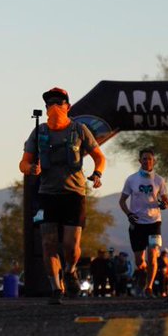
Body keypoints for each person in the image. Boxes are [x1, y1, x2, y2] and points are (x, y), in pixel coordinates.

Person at [20, 86, 106, 304]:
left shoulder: (79, 130)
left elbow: (99, 157)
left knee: (70, 245)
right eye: (50, 104)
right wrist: (30, 169)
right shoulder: (39, 132)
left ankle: (70, 270)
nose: (54, 107)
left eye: (59, 102)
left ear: (67, 106)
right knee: (48, 243)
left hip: (74, 193)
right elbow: (24, 162)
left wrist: (97, 174)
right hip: (48, 193)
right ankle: (56, 288)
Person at [118, 148, 168, 297]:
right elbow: (122, 201)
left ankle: (149, 287)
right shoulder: (131, 179)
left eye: (150, 159)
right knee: (140, 261)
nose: (147, 161)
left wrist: (164, 204)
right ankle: (142, 273)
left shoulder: (159, 180)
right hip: (137, 224)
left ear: (154, 161)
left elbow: (166, 201)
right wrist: (129, 214)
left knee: (153, 255)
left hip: (154, 223)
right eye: (144, 159)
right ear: (139, 161)